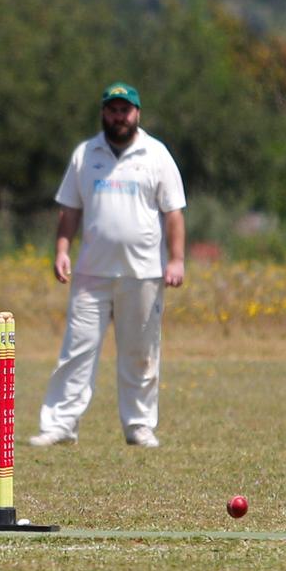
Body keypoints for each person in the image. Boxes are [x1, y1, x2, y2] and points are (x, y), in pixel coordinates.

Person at [29, 81, 187, 449]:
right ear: (104, 112)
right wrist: (62, 250)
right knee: (77, 351)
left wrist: (177, 259)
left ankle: (139, 425)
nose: (119, 116)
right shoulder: (87, 154)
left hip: (143, 272)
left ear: (137, 113)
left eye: (125, 110)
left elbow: (174, 211)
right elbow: (70, 209)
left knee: (141, 352)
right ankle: (61, 424)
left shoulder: (156, 154)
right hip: (91, 273)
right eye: (113, 109)